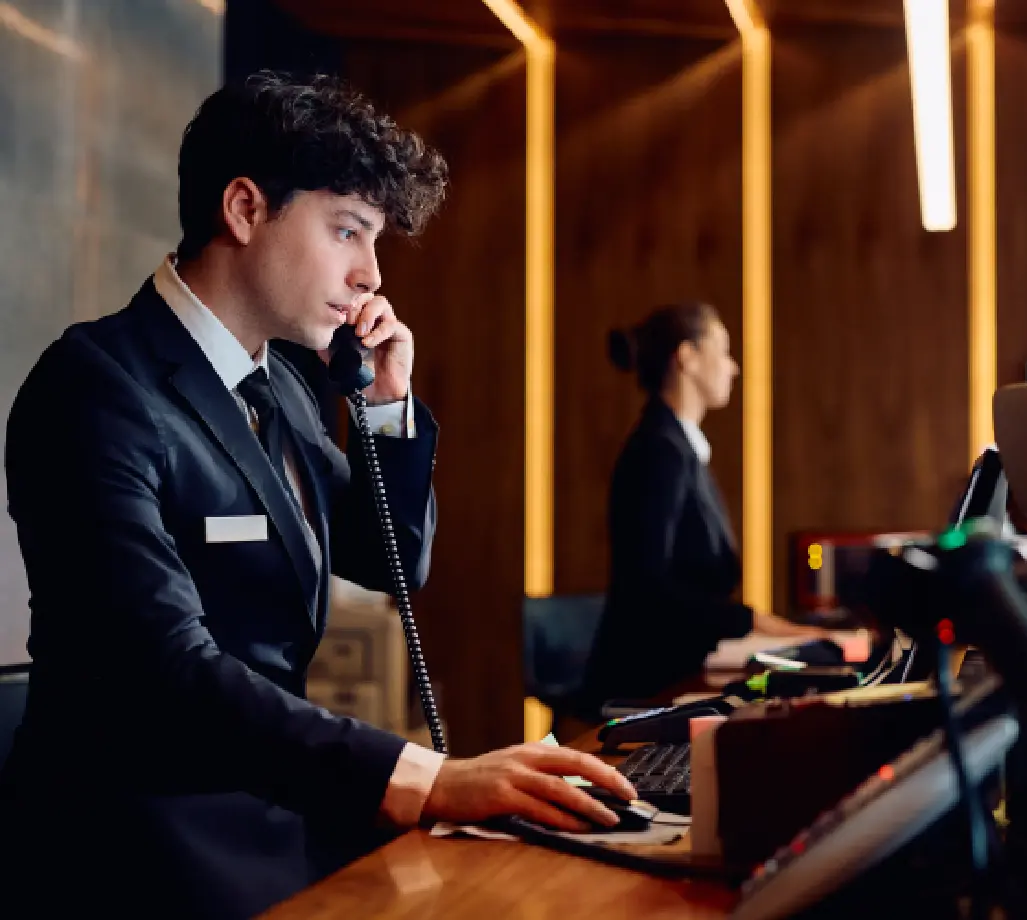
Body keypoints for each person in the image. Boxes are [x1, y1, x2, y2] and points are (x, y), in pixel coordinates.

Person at [0, 72, 634, 919]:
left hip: (278, 823)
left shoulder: (286, 391)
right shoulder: (94, 387)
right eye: (347, 231)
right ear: (244, 209)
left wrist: (382, 407)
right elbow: (166, 670)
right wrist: (428, 777)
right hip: (137, 859)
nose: (371, 274)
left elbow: (393, 562)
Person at [580, 302, 823, 710]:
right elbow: (650, 591)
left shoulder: (677, 447)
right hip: (646, 685)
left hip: (675, 670)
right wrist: (763, 626)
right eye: (723, 350)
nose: (733, 367)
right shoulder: (660, 450)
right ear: (687, 357)